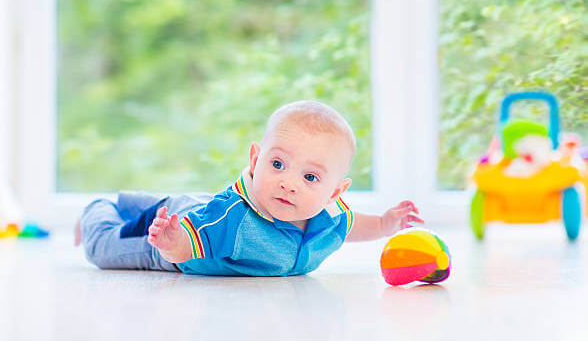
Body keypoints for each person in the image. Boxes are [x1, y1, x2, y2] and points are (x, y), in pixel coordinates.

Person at [75, 100, 423, 276]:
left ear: (334, 192)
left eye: (310, 178)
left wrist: (386, 223)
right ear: (255, 160)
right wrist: (170, 242)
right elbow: (184, 248)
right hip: (179, 237)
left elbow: (354, 226)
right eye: (277, 165)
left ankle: (133, 202)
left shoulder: (330, 214)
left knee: (182, 203)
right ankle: (98, 209)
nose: (288, 183)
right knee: (103, 248)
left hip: (204, 210)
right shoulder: (235, 218)